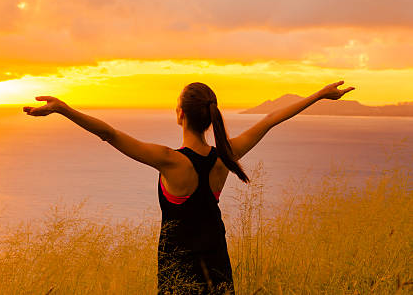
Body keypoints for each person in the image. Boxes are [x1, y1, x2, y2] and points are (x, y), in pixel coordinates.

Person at [23, 80, 355, 294]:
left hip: (176, 269)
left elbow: (109, 134)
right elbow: (270, 120)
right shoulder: (226, 155)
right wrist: (320, 95)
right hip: (217, 262)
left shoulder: (170, 161)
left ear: (180, 114)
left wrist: (64, 110)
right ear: (210, 117)